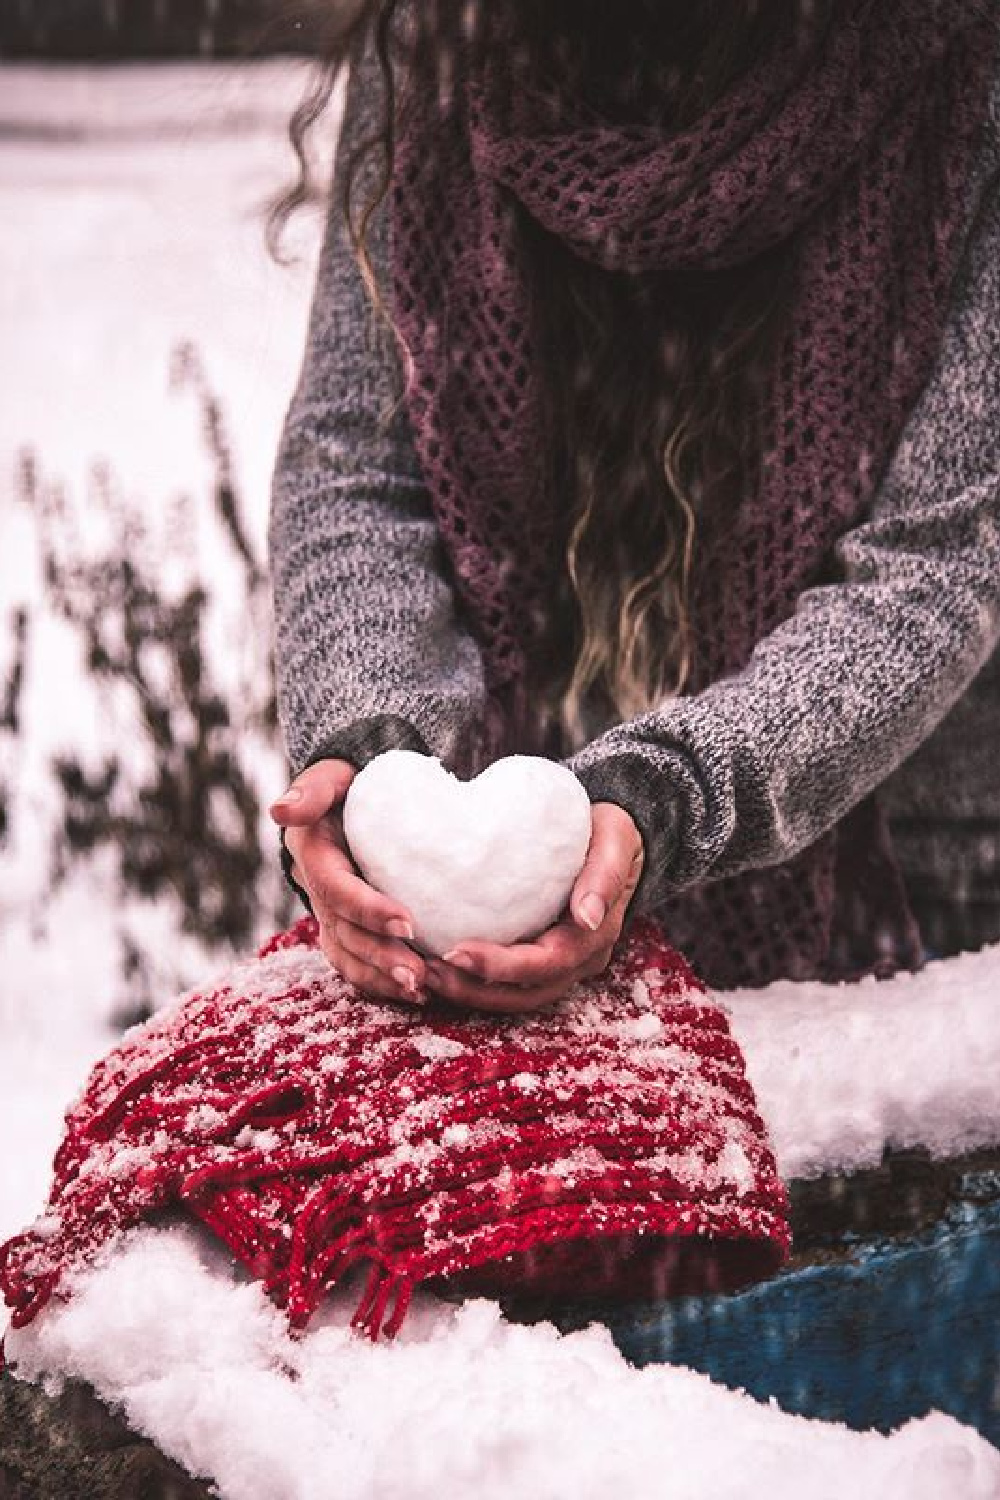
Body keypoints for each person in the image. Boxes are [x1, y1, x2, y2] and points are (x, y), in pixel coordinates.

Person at [268, 0, 1000, 1009]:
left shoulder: (962, 69)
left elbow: (935, 562)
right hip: (493, 877)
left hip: (913, 885)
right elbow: (357, 460)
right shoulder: (443, 40)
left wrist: (663, 799)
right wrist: (371, 755)